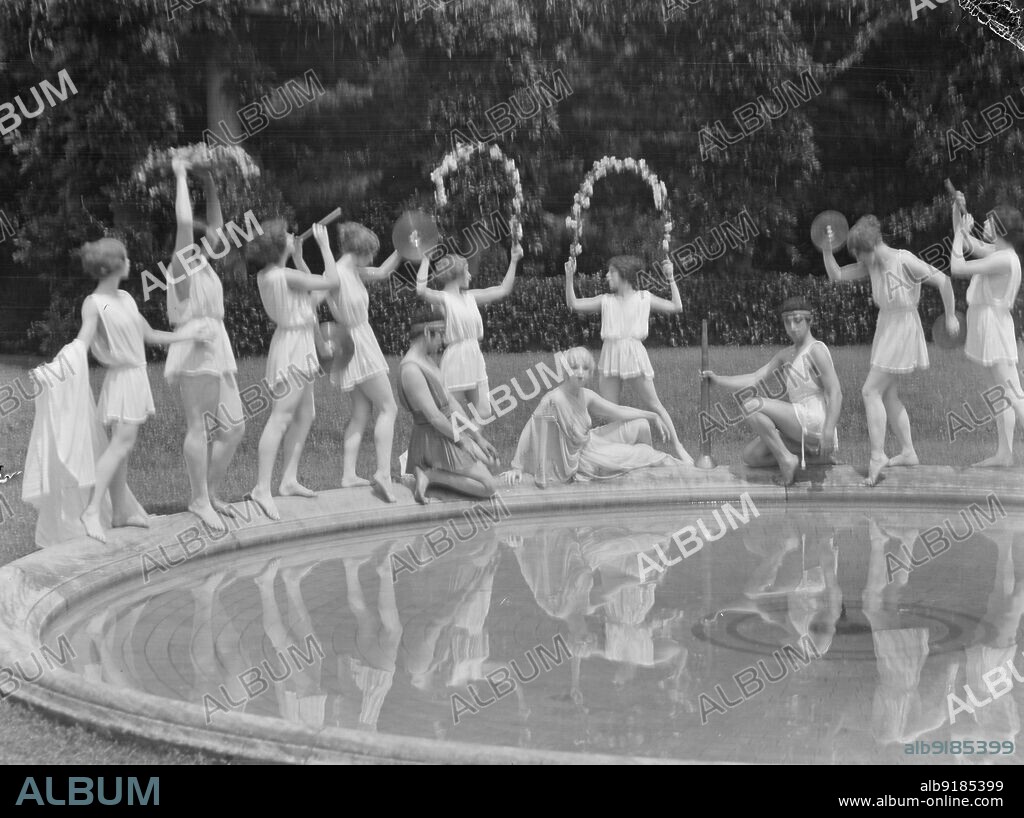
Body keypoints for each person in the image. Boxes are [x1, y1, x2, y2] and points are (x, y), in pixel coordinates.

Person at [75, 238, 213, 542]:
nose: (131, 261)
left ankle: (122, 511)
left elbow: (148, 334)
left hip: (135, 379)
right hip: (122, 380)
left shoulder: (123, 297)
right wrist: (67, 359)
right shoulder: (95, 303)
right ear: (115, 264)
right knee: (120, 446)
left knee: (123, 449)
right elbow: (84, 338)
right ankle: (92, 510)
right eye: (126, 257)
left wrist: (187, 335)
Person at [821, 215, 959, 486]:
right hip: (887, 326)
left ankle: (877, 456)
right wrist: (827, 250)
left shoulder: (903, 260)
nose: (860, 261)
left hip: (903, 327)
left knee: (870, 390)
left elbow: (943, 280)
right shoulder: (871, 265)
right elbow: (837, 275)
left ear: (871, 248)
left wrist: (951, 316)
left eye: (860, 254)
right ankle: (908, 452)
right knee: (888, 394)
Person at [165, 157, 245, 530]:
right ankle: (198, 499)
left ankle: (210, 492)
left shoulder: (205, 265)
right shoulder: (180, 267)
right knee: (198, 426)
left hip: (217, 344)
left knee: (234, 426)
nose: (210, 238)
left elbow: (218, 227)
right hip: (195, 344)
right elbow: (184, 221)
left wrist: (210, 182)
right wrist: (181, 174)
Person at [245, 219, 336, 520]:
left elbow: (306, 294)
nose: (291, 234)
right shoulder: (283, 275)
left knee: (305, 414)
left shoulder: (273, 274)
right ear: (277, 245)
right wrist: (323, 247)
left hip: (295, 343)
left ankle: (288, 480)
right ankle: (262, 488)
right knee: (282, 416)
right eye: (285, 234)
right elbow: (329, 282)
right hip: (294, 347)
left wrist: (298, 256)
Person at [701, 296, 842, 486]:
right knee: (751, 456)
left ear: (810, 321)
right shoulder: (786, 354)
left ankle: (787, 459)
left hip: (817, 421)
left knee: (751, 405)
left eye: (798, 320)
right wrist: (718, 380)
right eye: (787, 321)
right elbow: (754, 378)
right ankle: (813, 458)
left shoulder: (816, 350)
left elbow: (835, 393)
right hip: (799, 421)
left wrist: (828, 432)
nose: (792, 327)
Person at [565, 255, 693, 463]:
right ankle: (623, 455)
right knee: (611, 411)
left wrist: (670, 277)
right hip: (611, 353)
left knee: (655, 405)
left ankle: (678, 447)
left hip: (633, 353)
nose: (607, 276)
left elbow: (676, 306)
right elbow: (574, 304)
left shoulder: (644, 298)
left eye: (612, 272)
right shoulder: (606, 300)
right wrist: (569, 277)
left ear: (624, 275)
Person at [502, 346, 679, 487]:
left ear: (590, 372)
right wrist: (517, 467)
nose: (580, 372)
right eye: (574, 367)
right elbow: (531, 429)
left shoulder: (586, 395)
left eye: (585, 368)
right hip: (582, 457)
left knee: (641, 424)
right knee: (644, 453)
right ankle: (649, 468)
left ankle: (646, 477)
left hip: (591, 441)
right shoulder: (553, 400)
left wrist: (652, 415)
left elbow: (617, 411)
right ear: (565, 370)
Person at [316, 222, 401, 502]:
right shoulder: (339, 274)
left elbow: (384, 271)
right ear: (361, 252)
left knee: (361, 412)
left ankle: (349, 475)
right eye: (371, 254)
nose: (373, 260)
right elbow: (310, 303)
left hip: (352, 344)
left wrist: (405, 248)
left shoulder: (348, 269)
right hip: (359, 343)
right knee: (388, 407)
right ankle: (383, 473)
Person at [397, 306, 500, 503]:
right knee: (489, 487)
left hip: (447, 432)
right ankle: (430, 474)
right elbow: (435, 417)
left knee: (494, 463)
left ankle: (439, 476)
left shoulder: (426, 360)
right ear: (428, 332)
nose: (443, 341)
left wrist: (477, 438)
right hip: (433, 439)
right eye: (441, 335)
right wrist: (462, 440)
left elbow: (451, 403)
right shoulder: (410, 369)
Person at [950, 198, 1024, 467]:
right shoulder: (1000, 252)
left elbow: (957, 266)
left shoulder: (1003, 258)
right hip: (990, 325)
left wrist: (959, 234)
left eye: (990, 221)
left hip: (994, 327)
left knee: (1013, 394)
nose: (984, 223)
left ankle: (1005, 453)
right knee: (1001, 392)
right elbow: (968, 245)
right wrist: (957, 211)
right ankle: (1004, 453)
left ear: (1001, 229)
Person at [415, 244, 523, 420]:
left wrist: (514, 260)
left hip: (474, 355)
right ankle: (455, 445)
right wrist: (426, 259)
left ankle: (471, 446)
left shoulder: (470, 296)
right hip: (456, 357)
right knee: (452, 414)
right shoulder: (443, 298)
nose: (470, 275)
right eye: (466, 271)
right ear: (456, 274)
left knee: (484, 412)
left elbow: (503, 290)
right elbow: (420, 290)